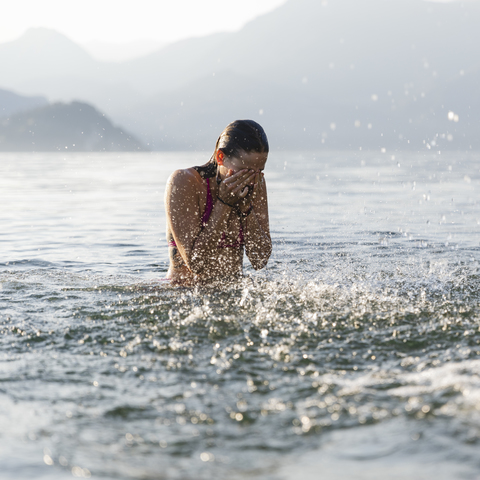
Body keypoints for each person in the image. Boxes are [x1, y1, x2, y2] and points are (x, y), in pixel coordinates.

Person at [164, 120, 272, 285]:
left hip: (231, 292)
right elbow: (196, 264)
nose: (251, 180)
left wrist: (246, 209)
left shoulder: (256, 183)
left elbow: (260, 260)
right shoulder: (185, 182)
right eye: (245, 171)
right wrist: (224, 203)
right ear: (221, 157)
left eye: (259, 171)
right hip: (184, 294)